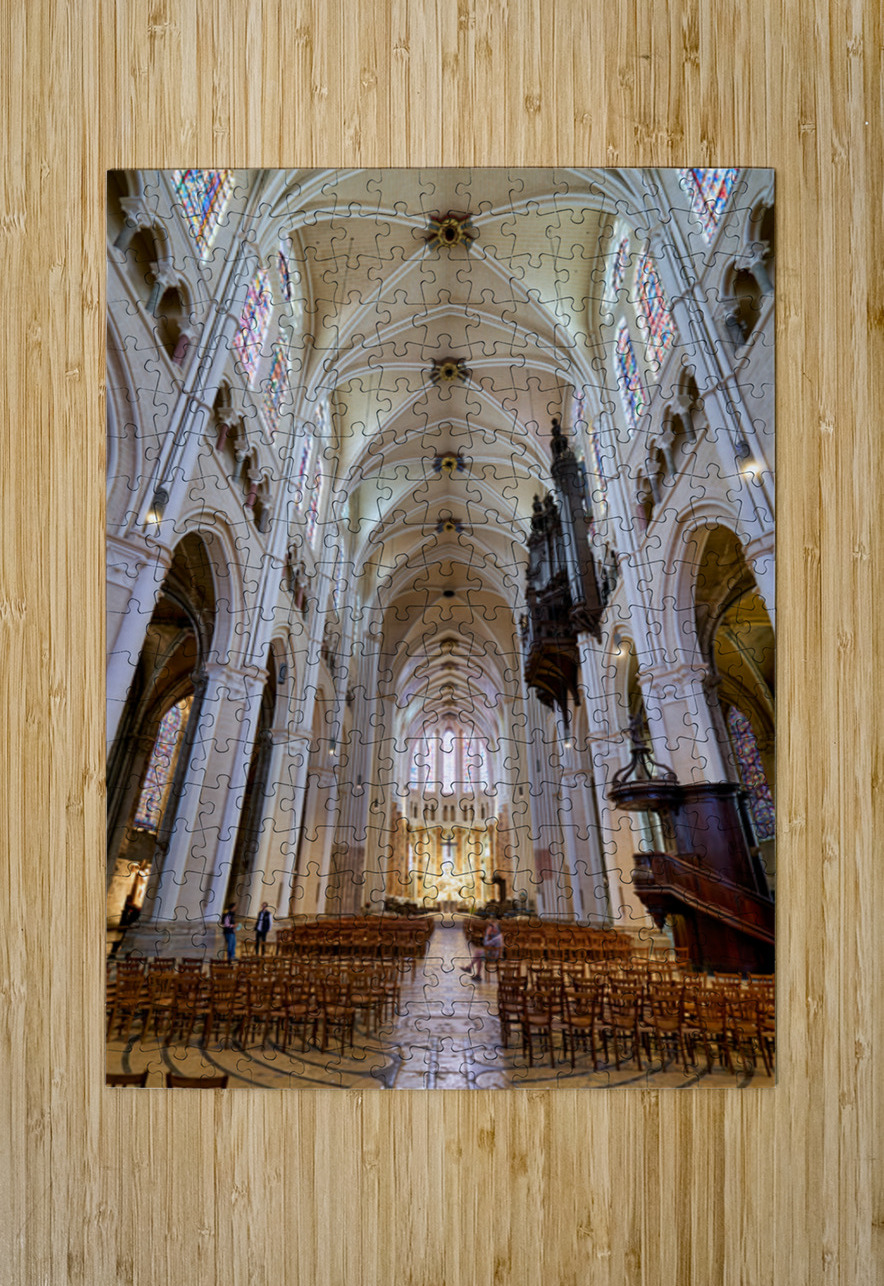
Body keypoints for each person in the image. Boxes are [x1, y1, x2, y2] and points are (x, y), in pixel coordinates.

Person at [460, 917, 503, 982]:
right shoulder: (498, 935)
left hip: (494, 956)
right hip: (492, 954)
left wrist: (487, 934)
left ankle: (470, 968)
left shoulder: (496, 938)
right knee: (479, 954)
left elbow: (485, 944)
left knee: (478, 953)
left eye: (492, 927)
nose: (490, 928)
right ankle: (477, 974)